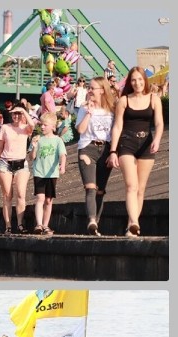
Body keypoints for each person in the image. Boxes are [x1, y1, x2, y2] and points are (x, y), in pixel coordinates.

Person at [107, 66, 164, 237]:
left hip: (146, 143)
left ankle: (131, 227)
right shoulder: (124, 100)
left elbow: (160, 123)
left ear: (144, 80)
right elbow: (117, 127)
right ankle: (134, 222)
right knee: (131, 186)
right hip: (127, 143)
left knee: (141, 188)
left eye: (140, 79)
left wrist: (157, 139)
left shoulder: (154, 99)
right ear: (130, 82)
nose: (137, 83)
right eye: (133, 80)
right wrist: (113, 151)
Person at [76, 76, 115, 236]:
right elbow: (80, 130)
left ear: (102, 90)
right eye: (89, 88)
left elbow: (116, 131)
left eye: (92, 88)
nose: (89, 91)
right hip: (87, 148)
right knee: (90, 188)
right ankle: (91, 220)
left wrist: (114, 152)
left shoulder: (112, 109)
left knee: (101, 190)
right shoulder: (84, 108)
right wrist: (88, 114)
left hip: (105, 148)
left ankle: (95, 226)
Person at [0, 106, 35, 234]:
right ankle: (8, 225)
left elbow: (32, 125)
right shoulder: (5, 128)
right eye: (14, 114)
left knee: (21, 194)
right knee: (7, 195)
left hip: (21, 163)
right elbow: (0, 148)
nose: (16, 116)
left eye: (18, 114)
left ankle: (20, 224)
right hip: (5, 163)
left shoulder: (25, 128)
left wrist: (23, 111)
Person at [28, 112, 67, 235]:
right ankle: (39, 224)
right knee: (40, 198)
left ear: (52, 126)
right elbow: (31, 157)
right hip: (39, 172)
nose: (42, 127)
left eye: (45, 125)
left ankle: (45, 225)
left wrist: (62, 165)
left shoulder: (57, 140)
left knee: (49, 200)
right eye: (41, 125)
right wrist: (34, 147)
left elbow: (62, 154)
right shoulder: (38, 139)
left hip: (52, 174)